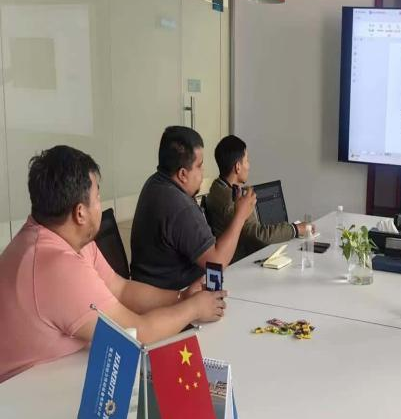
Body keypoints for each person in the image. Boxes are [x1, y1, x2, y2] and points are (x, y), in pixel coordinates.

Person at [0, 145, 227, 383]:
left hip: (57, 375)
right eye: (98, 197)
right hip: (22, 392)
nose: (100, 204)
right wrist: (194, 309)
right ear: (80, 213)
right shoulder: (55, 265)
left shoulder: (65, 237)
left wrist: (181, 297)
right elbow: (137, 333)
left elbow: (121, 288)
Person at [130, 126, 256, 290]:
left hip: (156, 288)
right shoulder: (179, 205)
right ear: (182, 174)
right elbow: (216, 263)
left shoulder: (154, 183)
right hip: (175, 295)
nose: (202, 171)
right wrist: (240, 216)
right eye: (199, 166)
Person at [206, 135, 312, 262]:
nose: (249, 166)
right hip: (241, 263)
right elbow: (259, 236)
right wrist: (296, 229)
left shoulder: (218, 188)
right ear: (238, 167)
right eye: (247, 160)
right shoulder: (230, 202)